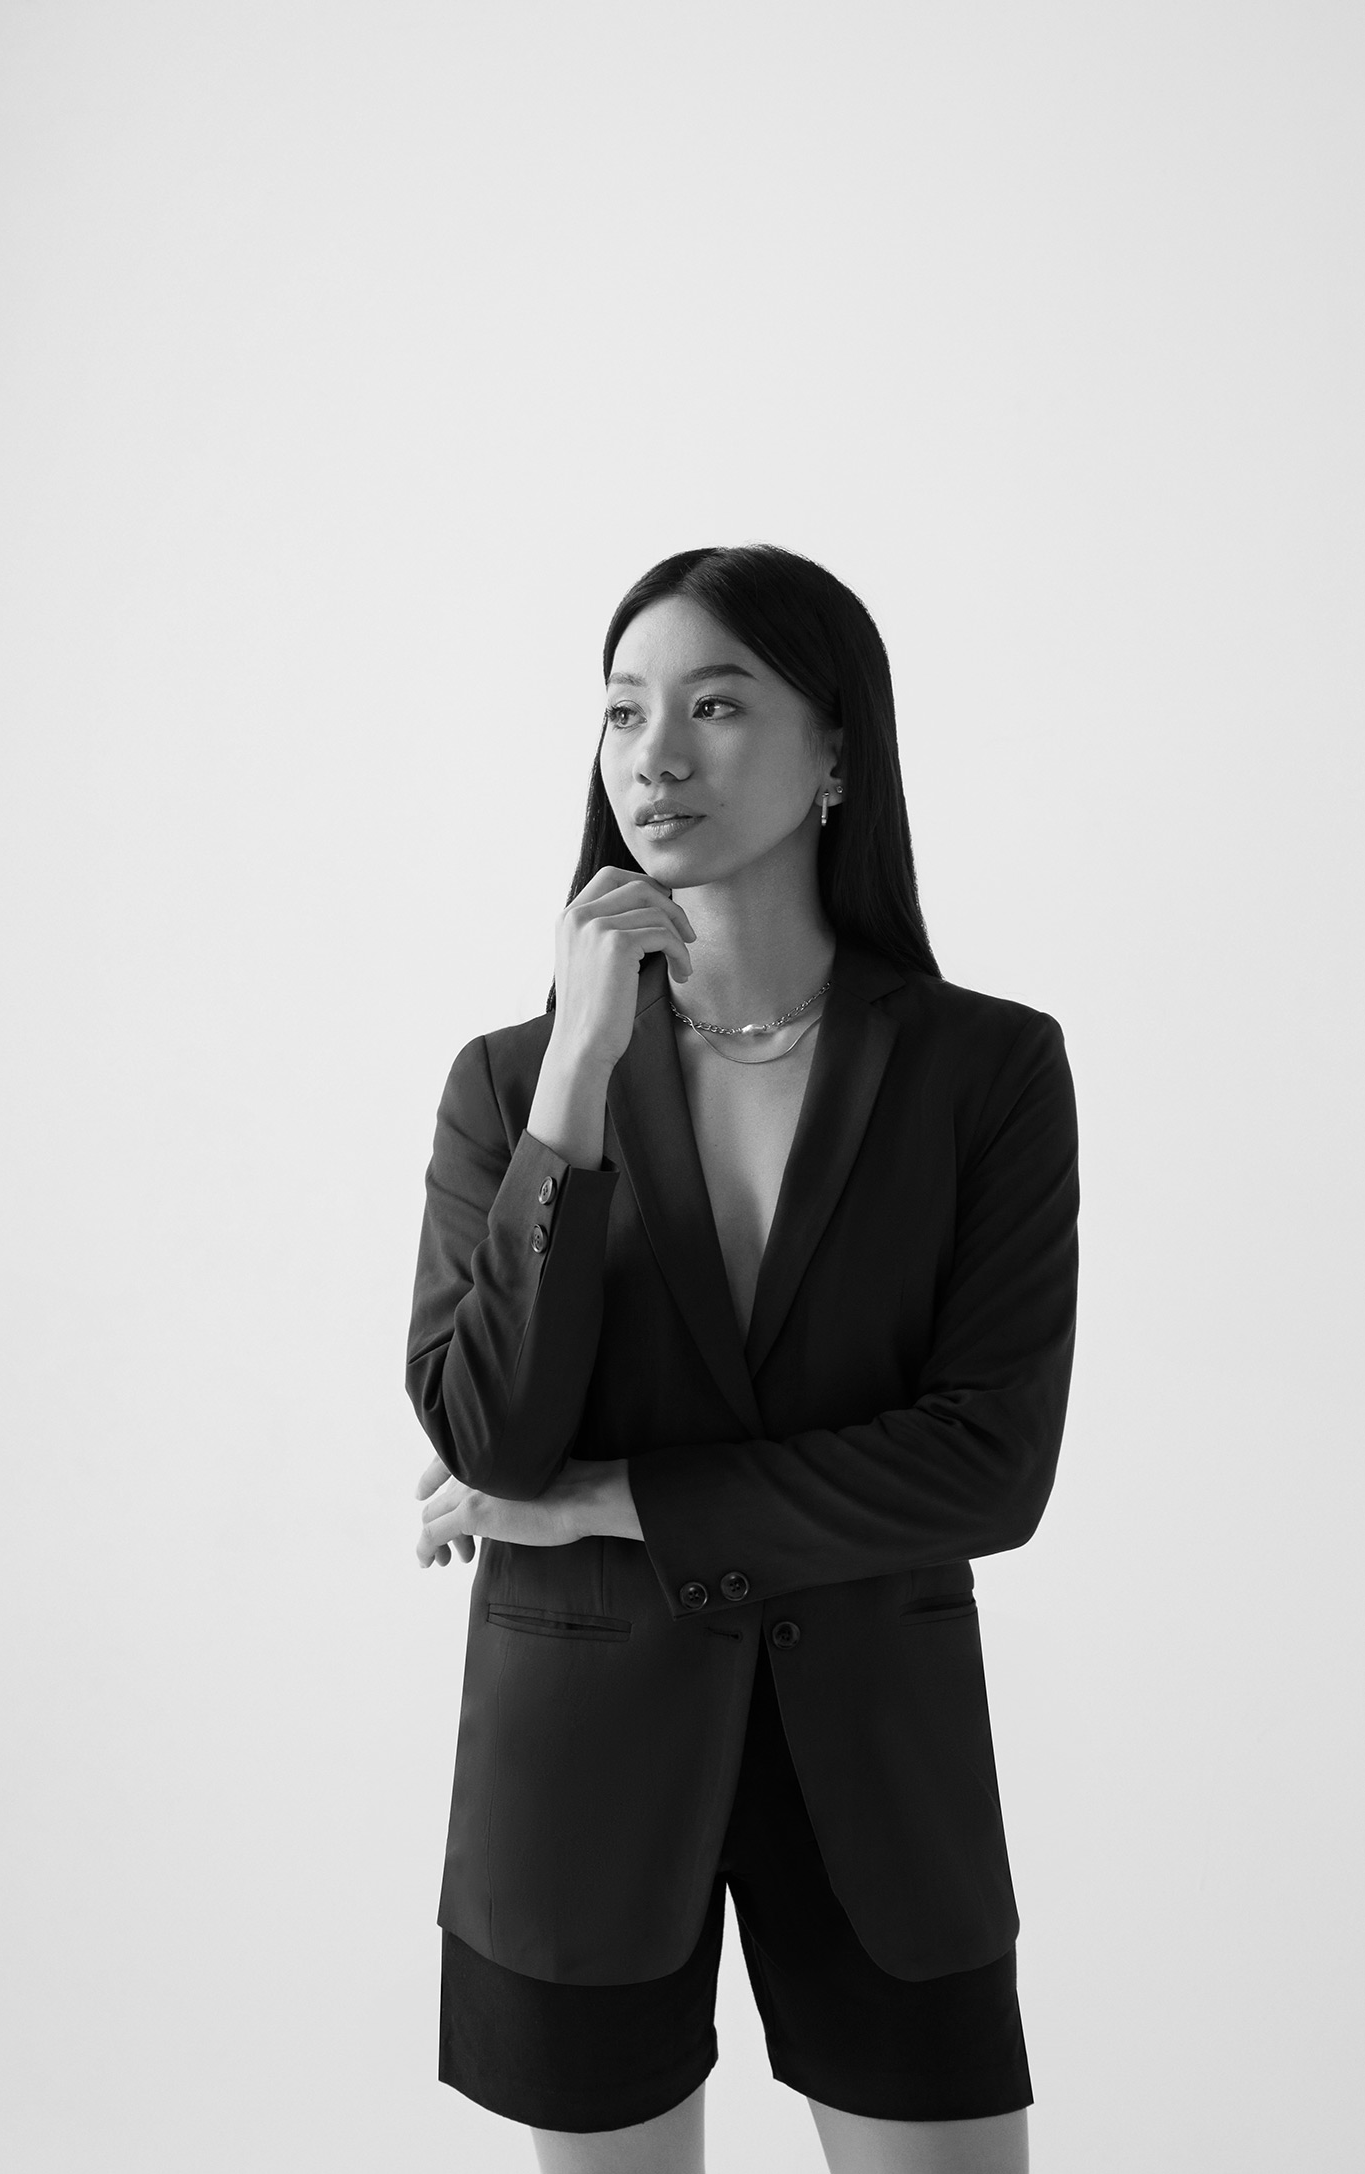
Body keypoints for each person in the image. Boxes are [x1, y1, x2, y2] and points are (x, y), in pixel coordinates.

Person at [407, 544, 1079, 2174]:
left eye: (716, 705)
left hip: (878, 1765)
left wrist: (619, 1497)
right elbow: (493, 1441)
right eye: (623, 710)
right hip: (580, 1766)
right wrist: (581, 1064)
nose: (655, 755)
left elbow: (986, 1467)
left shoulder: (985, 1071)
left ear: (836, 753)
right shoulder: (512, 1084)